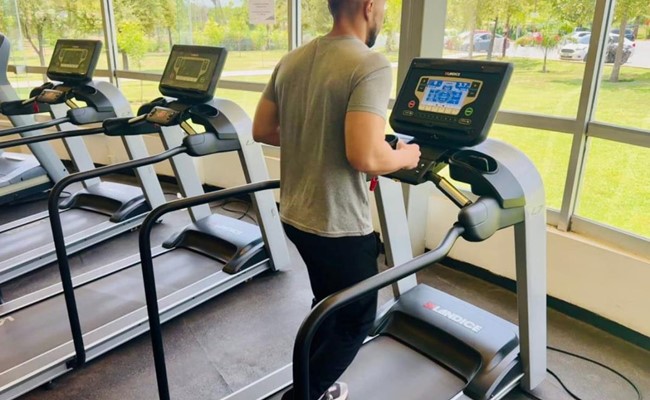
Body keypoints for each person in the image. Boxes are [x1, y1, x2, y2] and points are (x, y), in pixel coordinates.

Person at [252, 0, 421, 399]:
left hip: (295, 214)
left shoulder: (292, 59)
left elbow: (263, 129)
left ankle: (313, 387)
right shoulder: (370, 63)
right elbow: (366, 156)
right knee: (354, 320)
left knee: (327, 304)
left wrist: (319, 140)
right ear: (369, 6)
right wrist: (405, 156)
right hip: (337, 224)